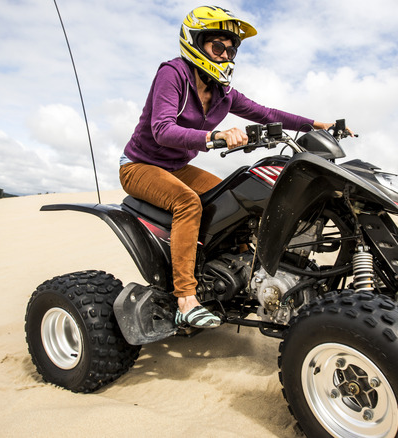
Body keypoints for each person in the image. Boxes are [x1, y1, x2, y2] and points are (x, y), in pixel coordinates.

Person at [119, 6, 335, 329]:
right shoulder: (173, 74)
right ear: (196, 43)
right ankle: (185, 299)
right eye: (217, 47)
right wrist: (214, 136)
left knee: (231, 200)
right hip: (140, 165)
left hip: (177, 167)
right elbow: (162, 129)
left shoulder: (223, 93)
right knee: (187, 202)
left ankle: (239, 273)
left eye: (230, 50)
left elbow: (265, 113)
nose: (225, 56)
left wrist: (313, 124)